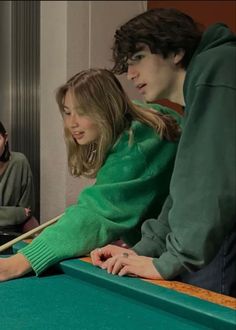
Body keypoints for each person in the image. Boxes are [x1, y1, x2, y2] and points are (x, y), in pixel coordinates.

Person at [91, 8, 236, 297]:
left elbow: (211, 185)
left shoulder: (217, 68)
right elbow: (187, 186)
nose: (130, 74)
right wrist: (145, 249)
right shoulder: (206, 80)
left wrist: (170, 261)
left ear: (176, 51)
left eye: (138, 58)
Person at [0, 68, 181, 280]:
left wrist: (15, 264)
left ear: (107, 108)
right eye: (68, 112)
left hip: (207, 243)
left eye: (83, 111)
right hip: (177, 241)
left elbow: (97, 212)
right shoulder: (130, 119)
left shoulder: (140, 140)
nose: (72, 123)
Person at [0, 121, 36, 240]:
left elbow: (28, 210)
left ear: (5, 138)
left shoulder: (19, 162)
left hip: (13, 232)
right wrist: (17, 213)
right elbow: (23, 212)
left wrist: (21, 214)